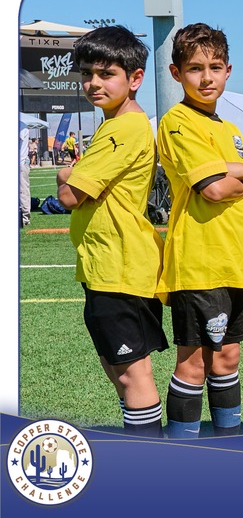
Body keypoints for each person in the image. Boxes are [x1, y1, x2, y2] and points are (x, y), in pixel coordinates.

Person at [157, 23, 243, 438]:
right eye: (195, 68)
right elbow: (213, 190)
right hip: (198, 262)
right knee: (193, 363)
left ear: (228, 71)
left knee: (227, 359)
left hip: (233, 261)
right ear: (176, 73)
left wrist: (239, 168)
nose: (206, 78)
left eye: (215, 67)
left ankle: (230, 449)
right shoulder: (178, 121)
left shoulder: (232, 131)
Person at [54, 26, 167, 437]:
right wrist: (74, 178)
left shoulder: (125, 128)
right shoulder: (113, 124)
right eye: (87, 73)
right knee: (118, 370)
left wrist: (67, 175)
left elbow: (70, 195)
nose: (93, 83)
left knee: (132, 374)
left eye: (106, 74)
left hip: (120, 265)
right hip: (106, 265)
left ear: (135, 78)